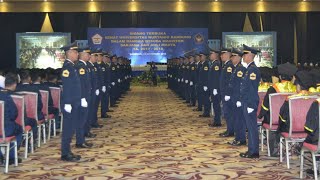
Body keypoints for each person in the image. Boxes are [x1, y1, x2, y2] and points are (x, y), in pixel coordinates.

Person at [60, 42, 82, 162]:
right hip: (70, 103)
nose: (77, 54)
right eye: (75, 52)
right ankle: (65, 153)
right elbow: (67, 86)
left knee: (71, 127)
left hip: (73, 102)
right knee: (68, 128)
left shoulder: (71, 66)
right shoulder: (67, 67)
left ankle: (68, 151)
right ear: (69, 53)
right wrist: (68, 102)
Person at [239, 44, 261, 159]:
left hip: (250, 103)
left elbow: (252, 89)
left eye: (245, 54)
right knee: (250, 126)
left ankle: (254, 152)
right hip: (246, 102)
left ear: (250, 55)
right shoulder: (249, 69)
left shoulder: (252, 70)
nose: (243, 56)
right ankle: (251, 150)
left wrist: (251, 105)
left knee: (252, 127)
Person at [0, 72, 23, 164]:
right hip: (5, 129)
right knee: (19, 129)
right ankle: (11, 157)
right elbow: (14, 114)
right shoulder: (7, 97)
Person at [226, 48, 247, 145]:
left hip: (238, 99)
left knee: (239, 119)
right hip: (234, 98)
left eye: (234, 56)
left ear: (238, 57)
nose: (232, 58)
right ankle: (237, 137)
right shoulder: (236, 68)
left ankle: (241, 139)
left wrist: (239, 99)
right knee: (236, 118)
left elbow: (240, 86)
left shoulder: (240, 69)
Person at [74, 47, 93, 149]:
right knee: (81, 120)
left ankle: (81, 140)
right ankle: (79, 141)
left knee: (84, 119)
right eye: (87, 54)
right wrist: (82, 98)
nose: (89, 56)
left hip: (86, 96)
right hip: (83, 97)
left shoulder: (83, 66)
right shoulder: (80, 66)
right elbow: (81, 84)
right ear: (82, 54)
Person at [219, 47, 234, 137]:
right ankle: (229, 129)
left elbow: (229, 81)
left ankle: (230, 130)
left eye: (223, 54)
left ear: (228, 55)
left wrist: (227, 94)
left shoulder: (229, 66)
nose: (221, 56)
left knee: (228, 113)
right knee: (227, 112)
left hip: (227, 94)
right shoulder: (226, 65)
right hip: (224, 93)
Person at [208, 49, 222, 127]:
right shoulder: (213, 64)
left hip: (215, 89)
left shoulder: (216, 64)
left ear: (215, 55)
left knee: (216, 105)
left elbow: (216, 78)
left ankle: (217, 121)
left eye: (211, 54)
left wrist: (215, 88)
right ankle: (216, 120)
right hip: (213, 88)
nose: (210, 56)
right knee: (215, 104)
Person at [198, 52, 210, 118]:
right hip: (202, 84)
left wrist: (205, 85)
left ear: (205, 57)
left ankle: (207, 112)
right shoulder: (202, 64)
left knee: (206, 99)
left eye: (201, 56)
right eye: (200, 56)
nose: (200, 57)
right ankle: (205, 111)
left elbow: (206, 76)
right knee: (204, 98)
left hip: (205, 85)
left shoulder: (206, 65)